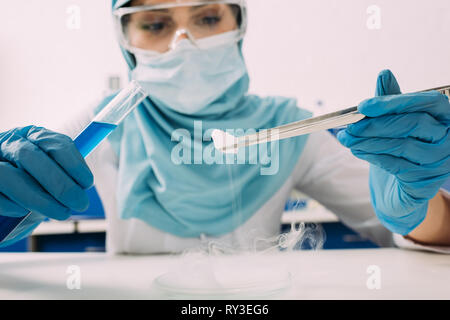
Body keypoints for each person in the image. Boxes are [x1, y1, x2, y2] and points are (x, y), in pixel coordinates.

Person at [0, 0, 449, 253]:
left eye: (208, 18)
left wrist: (415, 195)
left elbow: (415, 232)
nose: (185, 43)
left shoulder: (288, 126)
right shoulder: (103, 123)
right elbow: (22, 202)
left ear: (238, 24)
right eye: (155, 23)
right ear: (126, 43)